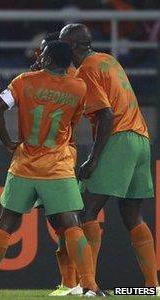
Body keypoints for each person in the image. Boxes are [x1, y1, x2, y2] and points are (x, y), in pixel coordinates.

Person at [0, 40, 107, 297]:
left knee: (5, 224)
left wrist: (8, 142)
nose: (39, 56)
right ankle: (90, 286)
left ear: (49, 59)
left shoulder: (23, 81)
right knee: (72, 225)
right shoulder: (79, 87)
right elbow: (74, 125)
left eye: (43, 54)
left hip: (24, 165)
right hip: (57, 166)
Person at [60, 23, 158, 291]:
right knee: (132, 214)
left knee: (85, 210)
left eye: (62, 44)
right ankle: (152, 286)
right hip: (141, 137)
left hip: (119, 138)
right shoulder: (107, 60)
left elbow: (105, 114)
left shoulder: (87, 70)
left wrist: (93, 158)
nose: (59, 48)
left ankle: (87, 285)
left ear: (73, 47)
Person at [31, 31, 81, 297]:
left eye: (43, 52)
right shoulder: (53, 80)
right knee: (59, 222)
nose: (39, 57)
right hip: (50, 155)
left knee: (64, 220)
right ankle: (71, 282)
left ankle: (77, 281)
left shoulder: (70, 81)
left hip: (58, 155)